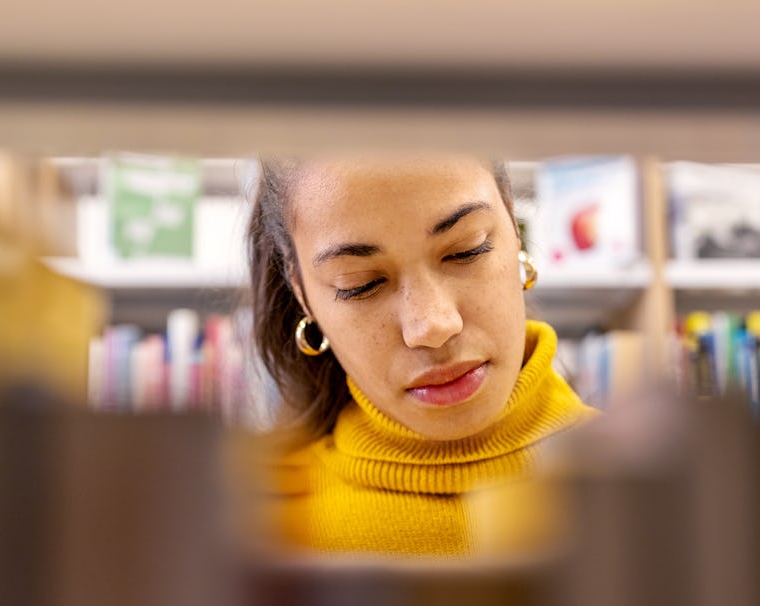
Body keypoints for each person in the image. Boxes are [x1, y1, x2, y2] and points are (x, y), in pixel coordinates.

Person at [247, 153, 596, 556]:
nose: (433, 325)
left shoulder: (662, 502)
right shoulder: (258, 533)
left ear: (513, 223)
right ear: (303, 294)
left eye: (466, 250)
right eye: (361, 284)